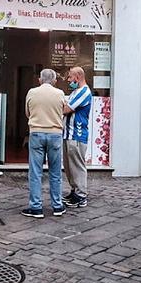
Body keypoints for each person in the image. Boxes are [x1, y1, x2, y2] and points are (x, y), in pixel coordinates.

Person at [23, 68, 66, 218]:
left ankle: (36, 207)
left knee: (35, 172)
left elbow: (27, 113)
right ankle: (57, 206)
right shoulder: (60, 93)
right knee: (55, 172)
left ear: (39, 80)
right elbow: (63, 110)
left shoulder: (32, 92)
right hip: (55, 134)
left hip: (36, 132)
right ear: (54, 81)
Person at [62, 66, 92, 208]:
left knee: (77, 165)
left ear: (78, 77)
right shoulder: (75, 91)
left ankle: (81, 195)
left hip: (77, 134)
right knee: (69, 166)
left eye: (70, 77)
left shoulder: (84, 92)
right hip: (69, 134)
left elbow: (66, 109)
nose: (69, 80)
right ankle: (74, 191)